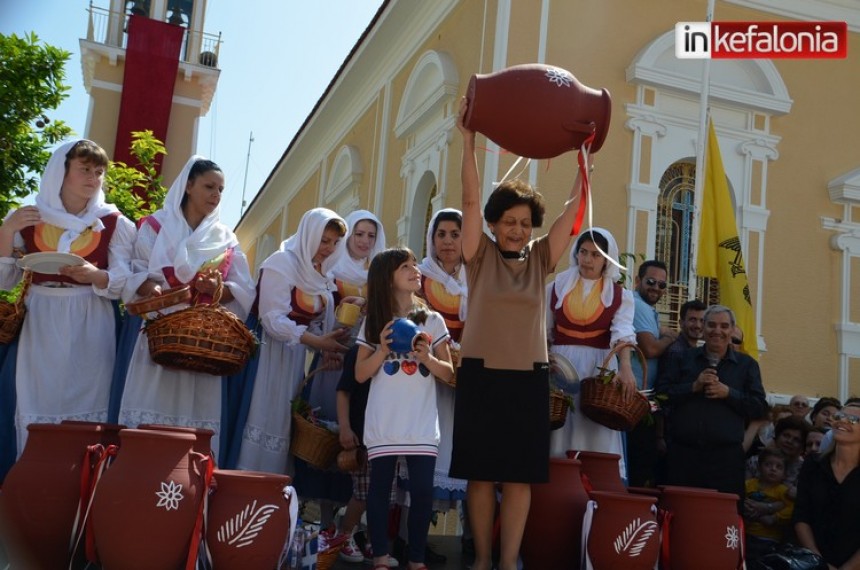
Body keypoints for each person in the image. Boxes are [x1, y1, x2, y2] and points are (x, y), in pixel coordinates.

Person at [450, 96, 593, 570]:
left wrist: (584, 162)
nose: (516, 230)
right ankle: (482, 560)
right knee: (480, 477)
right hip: (481, 376)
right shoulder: (478, 255)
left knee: (518, 480)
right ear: (492, 224)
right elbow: (469, 199)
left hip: (528, 379)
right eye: (508, 222)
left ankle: (508, 562)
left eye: (524, 223)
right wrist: (468, 141)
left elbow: (574, 214)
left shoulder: (540, 260)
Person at [0, 139, 136, 459]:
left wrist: (95, 275)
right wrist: (6, 232)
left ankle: (80, 481)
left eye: (99, 172)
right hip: (41, 317)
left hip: (92, 317)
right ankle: (29, 478)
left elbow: (124, 282)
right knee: (35, 396)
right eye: (84, 169)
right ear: (61, 171)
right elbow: (6, 280)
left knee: (89, 396)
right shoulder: (28, 217)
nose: (93, 178)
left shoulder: (114, 223)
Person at [118, 156, 255, 456]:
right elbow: (134, 269)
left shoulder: (225, 238)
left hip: (203, 338)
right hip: (160, 329)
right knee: (152, 403)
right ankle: (141, 471)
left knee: (196, 415)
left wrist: (218, 288)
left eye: (220, 189)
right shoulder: (156, 226)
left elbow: (243, 289)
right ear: (188, 185)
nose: (216, 195)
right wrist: (150, 287)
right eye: (209, 186)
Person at [355, 247, 454, 570]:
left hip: (421, 421)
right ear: (388, 278)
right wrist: (382, 349)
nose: (416, 270)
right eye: (406, 267)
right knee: (380, 489)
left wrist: (427, 358)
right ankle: (381, 556)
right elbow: (359, 374)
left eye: (415, 265)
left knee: (423, 491)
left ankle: (416, 559)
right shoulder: (374, 321)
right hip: (385, 419)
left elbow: (450, 374)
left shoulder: (433, 320)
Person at [235, 207, 349, 473]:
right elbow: (271, 318)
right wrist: (318, 342)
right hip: (266, 354)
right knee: (263, 413)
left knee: (283, 420)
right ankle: (247, 479)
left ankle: (275, 488)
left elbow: (318, 323)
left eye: (334, 242)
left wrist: (326, 343)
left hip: (294, 357)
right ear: (309, 234)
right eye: (324, 240)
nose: (329, 248)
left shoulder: (321, 274)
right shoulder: (282, 263)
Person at [298, 210, 388, 530]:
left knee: (356, 442)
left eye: (371, 236)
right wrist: (327, 339)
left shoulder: (379, 275)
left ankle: (347, 529)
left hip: (364, 366)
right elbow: (316, 313)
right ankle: (322, 520)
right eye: (359, 234)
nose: (364, 241)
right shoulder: (330, 270)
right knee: (325, 436)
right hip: (331, 361)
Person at [656, 304, 768, 500]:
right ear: (703, 328)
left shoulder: (747, 365)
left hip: (726, 461)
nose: (717, 331)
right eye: (712, 325)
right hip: (683, 456)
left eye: (724, 326)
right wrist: (693, 387)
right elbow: (661, 397)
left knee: (720, 522)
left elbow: (759, 407)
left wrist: (729, 393)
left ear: (732, 330)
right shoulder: (682, 359)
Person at [546, 228, 635, 474]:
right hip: (561, 364)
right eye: (583, 252)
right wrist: (545, 362)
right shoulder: (557, 287)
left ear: (607, 259)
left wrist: (626, 367)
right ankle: (558, 481)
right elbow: (544, 331)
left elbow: (623, 333)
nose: (587, 259)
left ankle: (595, 482)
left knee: (594, 424)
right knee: (560, 425)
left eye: (595, 255)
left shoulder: (619, 295)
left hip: (599, 367)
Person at [413, 207, 468, 563]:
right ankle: (409, 537)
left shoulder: (475, 277)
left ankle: (466, 539)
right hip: (424, 376)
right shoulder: (419, 275)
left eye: (454, 234)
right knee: (421, 451)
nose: (447, 241)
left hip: (461, 378)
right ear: (432, 239)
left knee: (458, 451)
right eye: (441, 234)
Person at [793, 400, 860, 569]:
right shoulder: (813, 464)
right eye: (840, 416)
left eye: (853, 419)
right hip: (811, 563)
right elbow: (801, 516)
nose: (842, 421)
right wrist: (820, 563)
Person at [628, 259, 676, 487]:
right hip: (634, 399)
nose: (656, 287)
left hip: (646, 399)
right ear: (637, 280)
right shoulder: (639, 306)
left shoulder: (645, 308)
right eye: (650, 281)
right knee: (639, 464)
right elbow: (650, 349)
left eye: (662, 285)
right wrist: (669, 337)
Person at [744, 448, 794, 561]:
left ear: (784, 474)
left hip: (769, 539)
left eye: (779, 467)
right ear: (759, 467)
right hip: (745, 533)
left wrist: (774, 517)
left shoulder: (783, 491)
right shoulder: (748, 485)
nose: (773, 469)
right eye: (768, 464)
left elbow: (791, 508)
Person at [746, 415, 809, 498]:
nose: (789, 441)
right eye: (786, 435)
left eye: (796, 439)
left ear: (802, 446)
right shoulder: (755, 462)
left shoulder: (804, 470)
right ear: (777, 437)